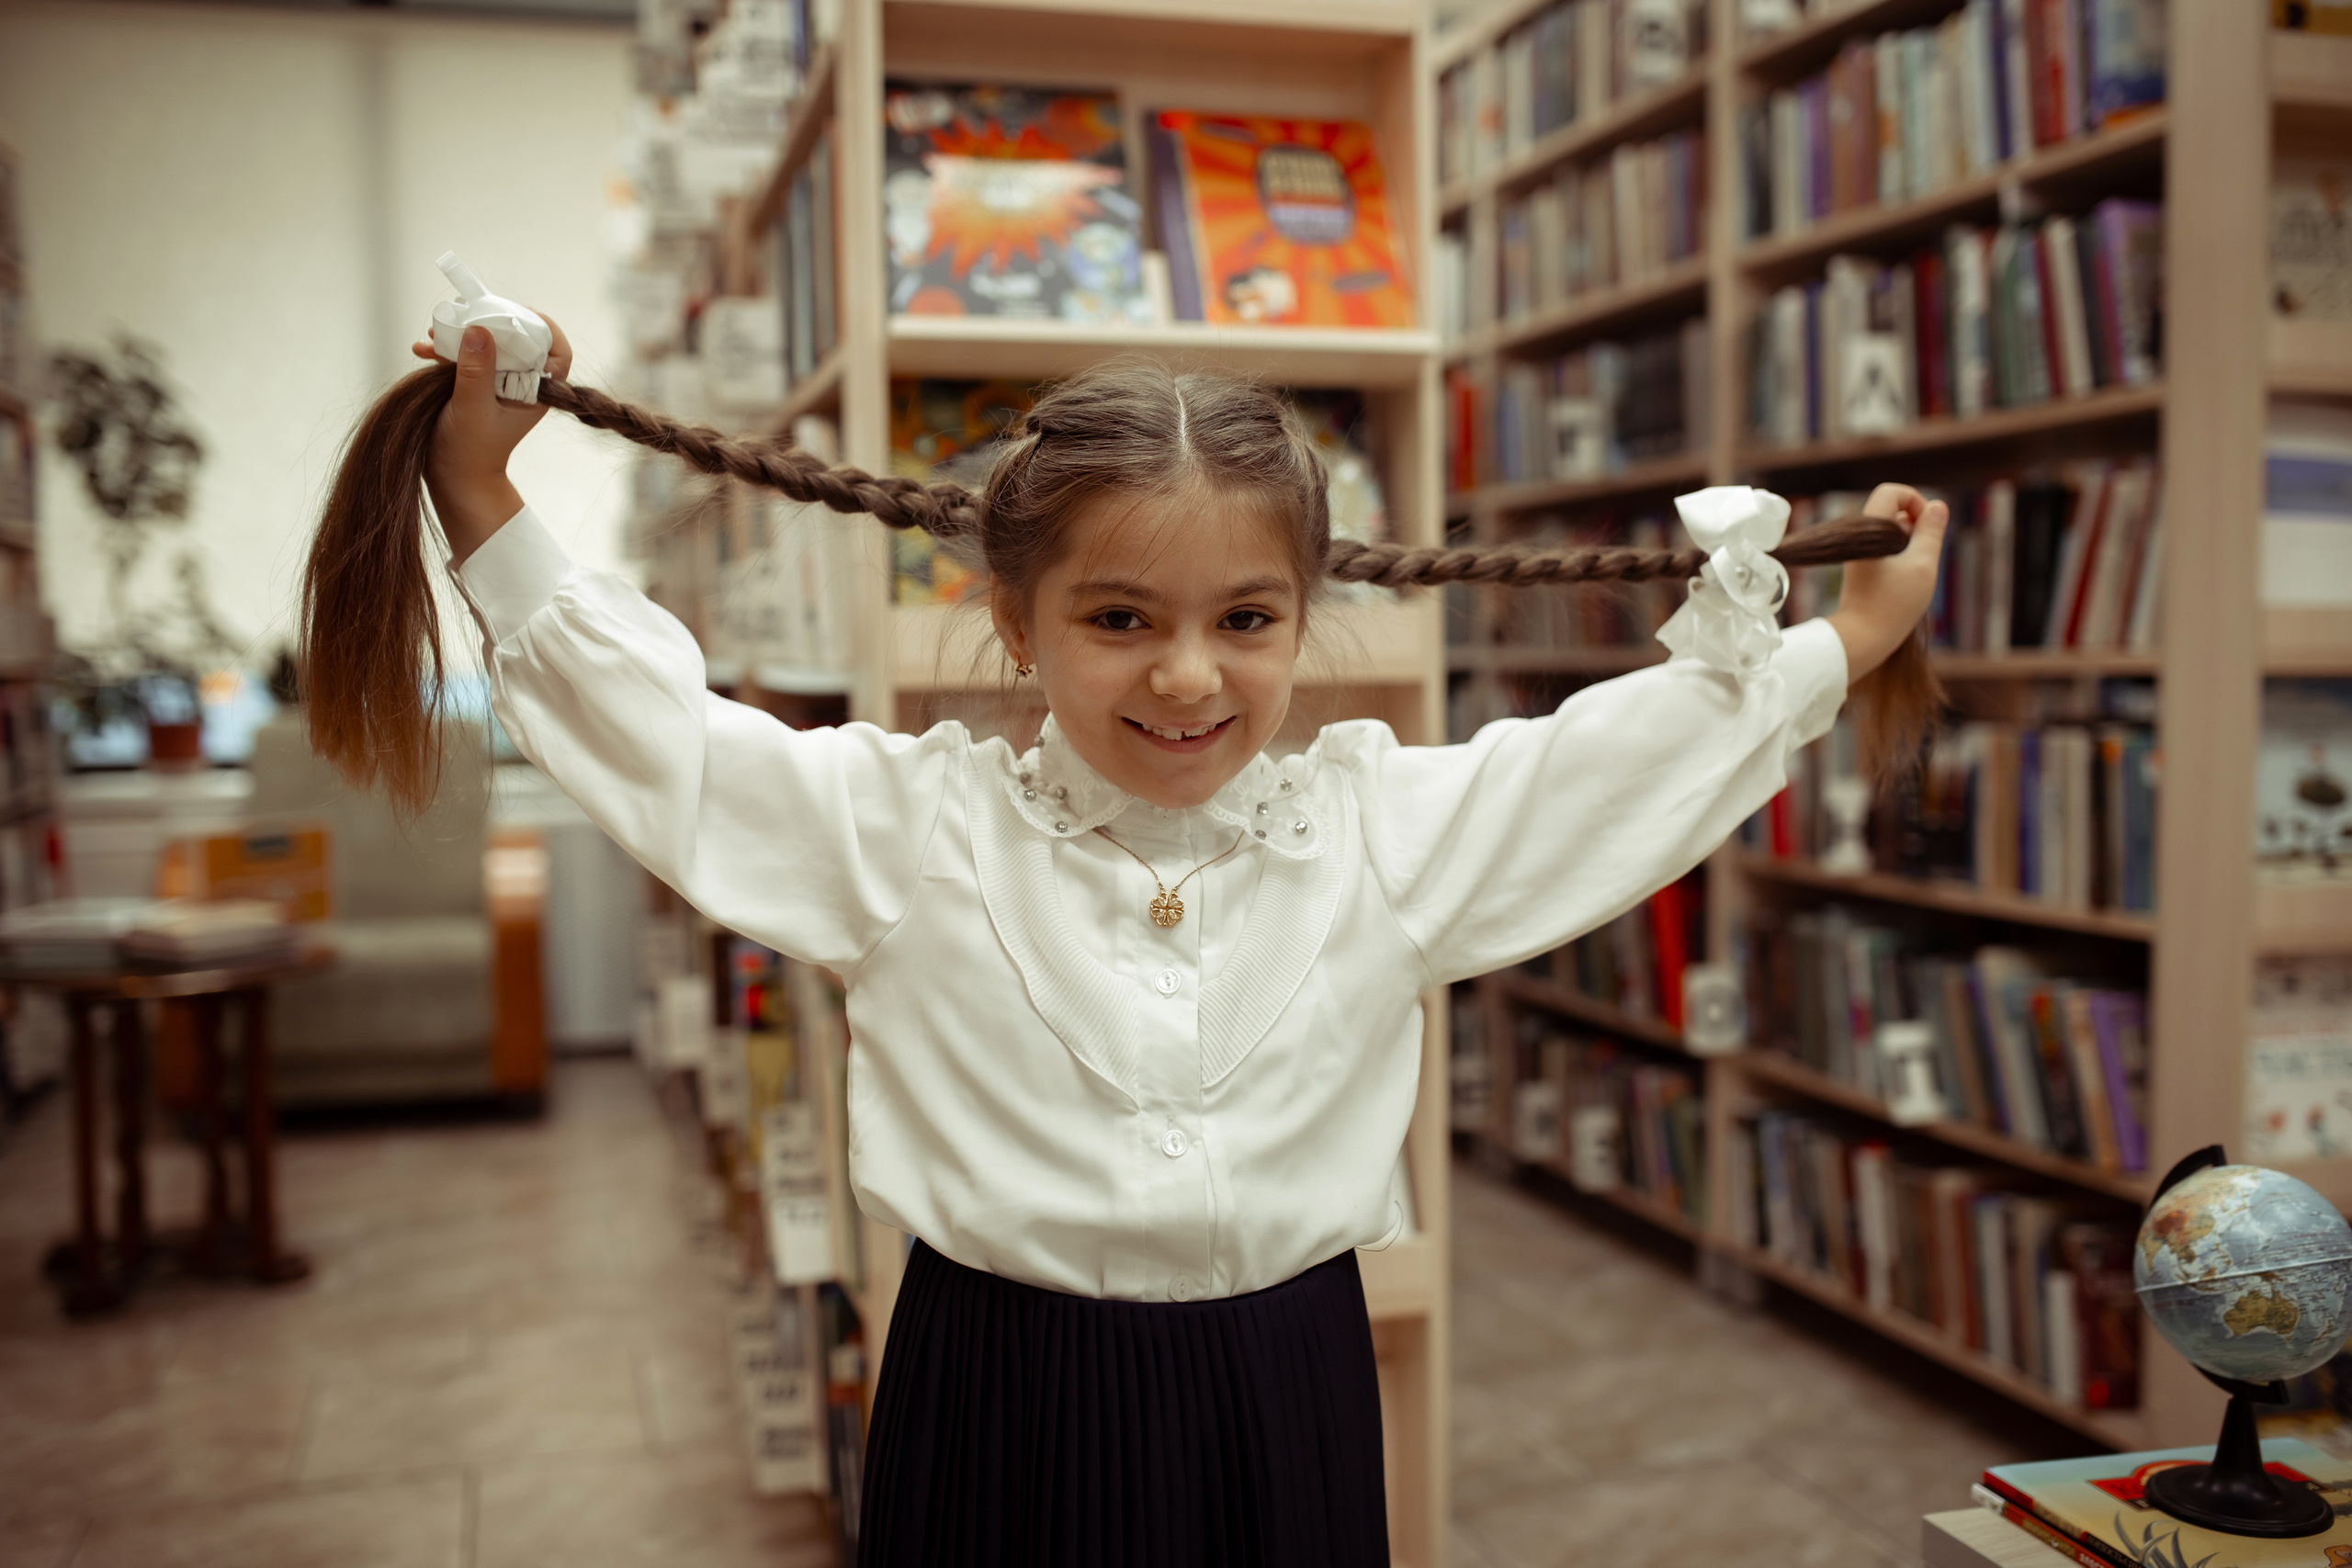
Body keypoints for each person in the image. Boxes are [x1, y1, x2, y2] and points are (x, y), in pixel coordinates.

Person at [310, 317, 1948, 1567]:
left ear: (1305, 619)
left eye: (1246, 620)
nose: (1188, 678)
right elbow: (676, 744)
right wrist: (478, 489)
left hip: (1287, 1388)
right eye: (1118, 620)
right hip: (996, 1397)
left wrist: (1847, 642)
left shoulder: (1382, 831)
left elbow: (1622, 763)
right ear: (1014, 624)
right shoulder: (907, 829)